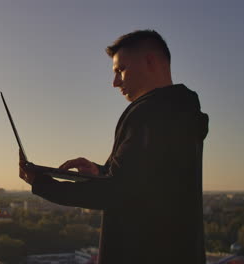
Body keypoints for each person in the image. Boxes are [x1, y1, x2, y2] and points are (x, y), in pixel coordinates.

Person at [19, 29, 209, 264]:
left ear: (150, 61)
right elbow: (146, 184)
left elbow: (118, 193)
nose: (115, 82)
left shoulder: (149, 112)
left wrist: (41, 183)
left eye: (121, 70)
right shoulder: (182, 110)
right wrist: (100, 173)